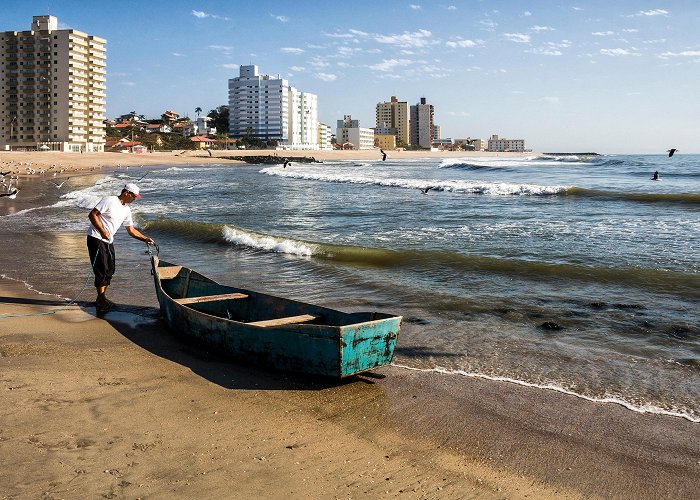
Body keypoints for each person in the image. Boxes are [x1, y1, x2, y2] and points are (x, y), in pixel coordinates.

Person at [86, 183, 154, 312]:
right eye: (133, 196)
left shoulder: (126, 210)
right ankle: (101, 299)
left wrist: (144, 238)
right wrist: (102, 231)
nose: (134, 199)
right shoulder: (110, 200)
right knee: (102, 269)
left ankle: (101, 298)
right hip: (96, 237)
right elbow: (92, 215)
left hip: (108, 240)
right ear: (126, 193)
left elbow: (131, 230)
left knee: (110, 269)